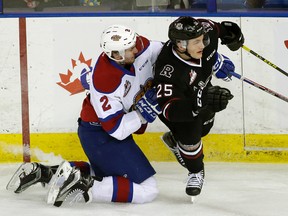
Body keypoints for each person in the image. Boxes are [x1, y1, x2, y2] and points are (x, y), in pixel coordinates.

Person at [7, 24, 163, 207]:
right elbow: (117, 130)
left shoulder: (136, 47)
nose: (136, 49)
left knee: (108, 176)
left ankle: (47, 174)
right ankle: (83, 184)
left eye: (133, 44)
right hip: (101, 135)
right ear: (116, 54)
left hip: (97, 131)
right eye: (129, 49)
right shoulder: (105, 81)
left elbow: (163, 51)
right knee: (148, 190)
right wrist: (142, 113)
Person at [153, 16, 244, 198]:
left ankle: (174, 140)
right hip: (179, 104)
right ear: (180, 45)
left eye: (203, 39)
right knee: (191, 133)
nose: (202, 44)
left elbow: (214, 27)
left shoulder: (205, 36)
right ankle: (195, 171)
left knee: (205, 127)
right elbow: (169, 110)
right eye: (196, 42)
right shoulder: (168, 69)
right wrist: (197, 103)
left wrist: (230, 33)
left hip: (201, 92)